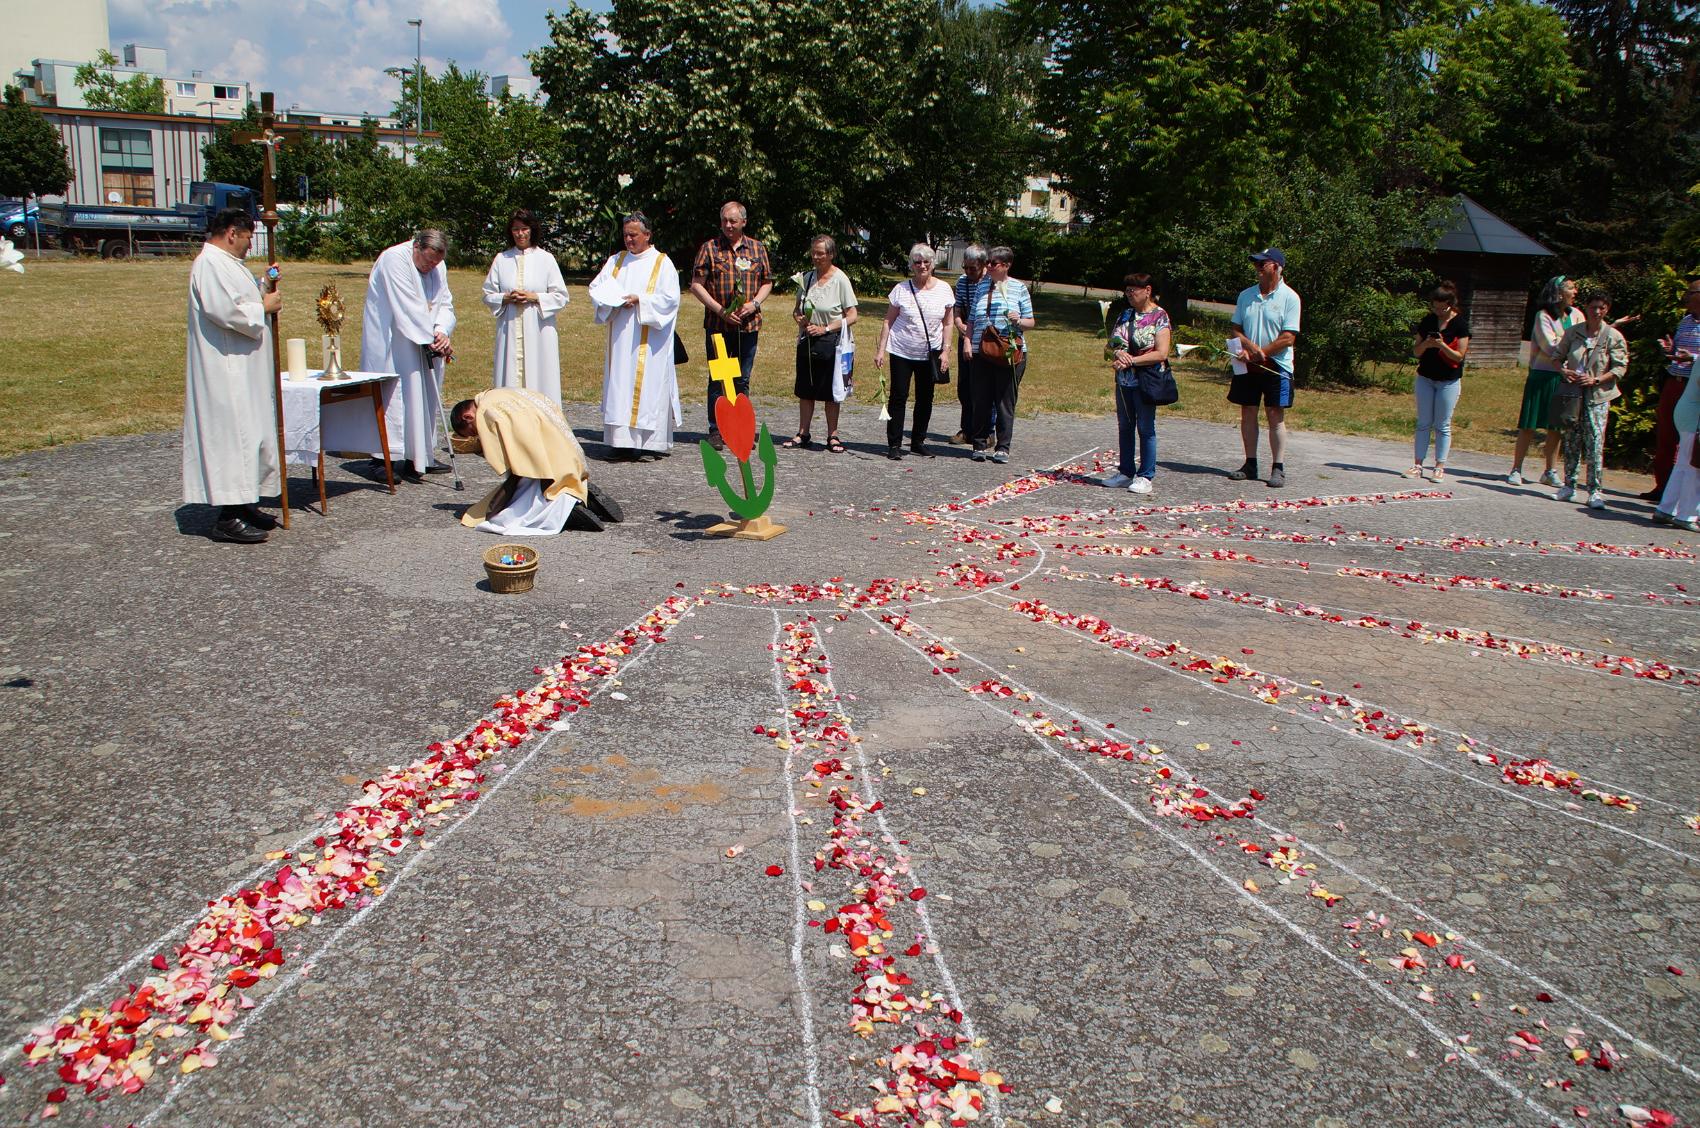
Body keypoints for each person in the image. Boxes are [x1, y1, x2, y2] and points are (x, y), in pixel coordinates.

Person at [182, 207, 283, 544]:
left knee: (251, 435)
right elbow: (225, 309)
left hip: (243, 368)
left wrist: (264, 285)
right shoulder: (209, 263)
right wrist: (263, 308)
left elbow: (240, 296)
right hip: (226, 370)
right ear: (230, 233)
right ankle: (227, 515)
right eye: (247, 237)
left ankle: (244, 503)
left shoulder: (227, 264)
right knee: (233, 439)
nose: (248, 244)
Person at [450, 389, 623, 534]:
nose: (478, 435)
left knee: (516, 504)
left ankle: (565, 510)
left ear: (467, 417)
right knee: (549, 478)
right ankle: (581, 494)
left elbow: (502, 456)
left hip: (543, 458)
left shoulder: (487, 411)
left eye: (473, 432)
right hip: (564, 448)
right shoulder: (501, 393)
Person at [362, 229, 456, 481]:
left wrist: (441, 331)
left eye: (436, 263)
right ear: (416, 247)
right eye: (427, 261)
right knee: (394, 396)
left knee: (422, 394)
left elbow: (444, 302)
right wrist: (433, 340)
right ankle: (383, 459)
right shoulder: (394, 259)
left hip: (424, 338)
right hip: (394, 340)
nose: (431, 267)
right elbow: (408, 306)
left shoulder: (438, 266)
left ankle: (419, 455)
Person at [587, 213, 682, 461]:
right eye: (626, 235)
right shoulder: (616, 261)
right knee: (620, 384)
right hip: (620, 337)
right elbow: (597, 288)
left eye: (634, 235)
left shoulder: (662, 263)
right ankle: (620, 442)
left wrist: (641, 300)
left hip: (650, 341)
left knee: (648, 387)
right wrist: (612, 301)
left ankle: (650, 442)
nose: (628, 240)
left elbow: (670, 299)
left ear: (647, 235)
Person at [689, 201, 773, 451]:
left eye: (733, 221)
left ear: (744, 222)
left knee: (741, 380)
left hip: (748, 327)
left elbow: (767, 281)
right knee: (719, 378)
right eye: (725, 220)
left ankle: (739, 427)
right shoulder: (710, 248)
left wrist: (754, 303)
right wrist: (721, 311)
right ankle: (716, 429)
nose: (728, 225)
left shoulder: (757, 248)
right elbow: (696, 284)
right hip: (718, 326)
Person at [1227, 248, 1301, 488]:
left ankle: (1278, 467)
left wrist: (1263, 353)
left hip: (1276, 366)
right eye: (1256, 264)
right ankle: (1250, 463)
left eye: (1263, 264)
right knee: (1247, 410)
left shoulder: (1290, 297)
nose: (1258, 268)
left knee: (1274, 415)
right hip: (1248, 362)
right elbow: (1236, 328)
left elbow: (1288, 337)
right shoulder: (1246, 295)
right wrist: (1248, 348)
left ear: (1277, 267)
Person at [874, 243, 956, 459]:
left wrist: (946, 351)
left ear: (932, 264)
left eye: (926, 262)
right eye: (917, 262)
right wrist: (881, 350)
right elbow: (887, 321)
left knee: (925, 398)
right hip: (902, 350)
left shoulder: (944, 289)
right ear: (911, 265)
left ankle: (918, 441)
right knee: (898, 396)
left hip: (930, 353)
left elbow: (948, 324)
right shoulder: (901, 289)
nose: (922, 266)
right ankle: (894, 444)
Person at [482, 209, 569, 409]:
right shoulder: (501, 259)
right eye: (516, 229)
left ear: (532, 230)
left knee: (540, 373)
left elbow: (561, 296)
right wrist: (505, 297)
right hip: (509, 326)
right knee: (510, 376)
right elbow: (487, 293)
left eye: (524, 229)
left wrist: (534, 297)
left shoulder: (546, 259)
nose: (520, 234)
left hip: (538, 328)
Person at [1551, 288, 1629, 510]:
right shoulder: (1574, 332)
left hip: (1598, 396)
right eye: (1593, 307)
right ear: (1586, 308)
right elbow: (1557, 357)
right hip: (1573, 394)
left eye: (1601, 308)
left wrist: (1596, 380)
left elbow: (1619, 367)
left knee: (1594, 441)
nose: (1597, 311)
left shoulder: (1613, 336)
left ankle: (1595, 491)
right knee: (1571, 439)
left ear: (1607, 310)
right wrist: (1564, 372)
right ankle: (1569, 485)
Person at [786, 235, 859, 454]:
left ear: (831, 254)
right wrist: (799, 318)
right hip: (808, 340)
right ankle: (803, 432)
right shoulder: (806, 278)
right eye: (814, 252)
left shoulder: (840, 279)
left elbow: (853, 315)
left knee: (831, 391)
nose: (816, 257)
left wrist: (826, 328)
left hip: (831, 341)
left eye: (821, 253)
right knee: (805, 389)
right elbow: (797, 309)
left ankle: (832, 435)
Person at [962, 245, 1034, 464]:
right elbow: (972, 319)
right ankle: (979, 444)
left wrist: (1018, 320)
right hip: (981, 351)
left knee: (1005, 401)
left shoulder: (1018, 288)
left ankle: (1003, 447)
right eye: (988, 263)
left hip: (1009, 352)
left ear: (1007, 265)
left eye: (993, 263)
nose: (989, 267)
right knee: (980, 399)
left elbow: (1031, 322)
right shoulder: (981, 286)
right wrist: (967, 340)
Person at [1102, 273, 1172, 494]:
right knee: (1125, 426)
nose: (1129, 294)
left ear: (1147, 290)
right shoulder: (1125, 314)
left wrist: (1131, 360)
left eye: (1134, 290)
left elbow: (1161, 353)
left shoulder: (1160, 317)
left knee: (1145, 427)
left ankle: (1145, 476)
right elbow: (1112, 343)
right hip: (1124, 380)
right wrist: (1117, 353)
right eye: (1127, 290)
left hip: (1147, 381)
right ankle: (1125, 472)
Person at [1507, 276, 1578, 486]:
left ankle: (1550, 470)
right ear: (1559, 292)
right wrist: (1571, 344)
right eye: (1571, 288)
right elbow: (1550, 346)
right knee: (1529, 424)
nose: (1575, 292)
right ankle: (1516, 468)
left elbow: (1585, 340)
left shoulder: (1576, 315)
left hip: (1564, 376)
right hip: (1542, 374)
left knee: (1555, 426)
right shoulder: (1543, 316)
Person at [1407, 281, 1472, 483]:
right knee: (1423, 423)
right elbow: (1416, 352)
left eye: (1441, 308)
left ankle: (1439, 467)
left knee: (1442, 424)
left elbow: (1459, 356)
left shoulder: (1460, 324)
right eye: (1434, 307)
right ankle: (1418, 465)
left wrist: (1442, 345)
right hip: (1426, 377)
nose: (1437, 311)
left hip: (1448, 381)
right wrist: (1427, 343)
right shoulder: (1427, 321)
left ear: (1450, 305)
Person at [1648, 281, 1700, 500]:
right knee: (1665, 435)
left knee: (1689, 440)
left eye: (1690, 293)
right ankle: (1662, 487)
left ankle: (1681, 495)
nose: (1685, 297)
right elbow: (1677, 350)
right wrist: (1670, 350)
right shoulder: (1685, 320)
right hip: (1674, 381)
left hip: (1694, 387)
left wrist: (1693, 358)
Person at [1652, 340, 1700, 532]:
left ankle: (1665, 509)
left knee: (1683, 465)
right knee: (1694, 468)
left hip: (1687, 412)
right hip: (1693, 416)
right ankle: (1686, 515)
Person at [950, 245, 988, 444]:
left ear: (983, 265)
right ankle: (966, 429)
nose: (968, 272)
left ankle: (986, 431)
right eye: (966, 267)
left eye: (972, 268)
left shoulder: (991, 282)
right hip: (965, 337)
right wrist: (959, 323)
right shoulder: (963, 282)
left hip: (986, 340)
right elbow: (957, 309)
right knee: (964, 386)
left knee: (982, 387)